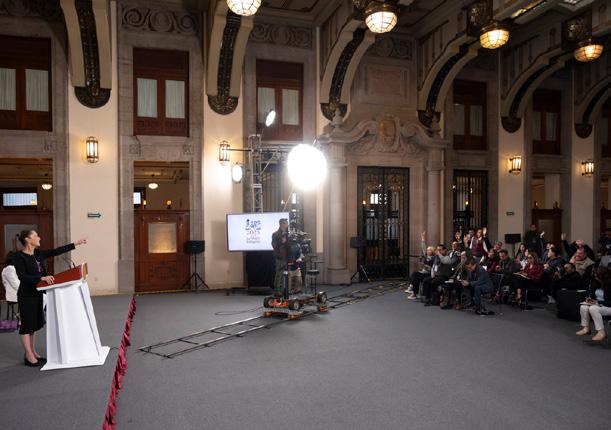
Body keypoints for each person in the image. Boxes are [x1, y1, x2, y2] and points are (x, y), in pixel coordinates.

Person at [13, 230, 86, 367]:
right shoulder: (19, 257)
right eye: (36, 236)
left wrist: (75, 243)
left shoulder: (38, 254)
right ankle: (28, 355)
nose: (39, 238)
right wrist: (41, 278)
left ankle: (33, 352)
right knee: (27, 325)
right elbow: (22, 277)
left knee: (33, 325)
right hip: (27, 295)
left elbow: (56, 251)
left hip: (38, 293)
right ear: (27, 239)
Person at [576, 267, 611, 342]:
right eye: (595, 276)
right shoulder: (595, 283)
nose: (595, 277)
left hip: (608, 306)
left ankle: (601, 332)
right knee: (583, 306)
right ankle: (586, 328)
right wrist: (589, 300)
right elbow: (592, 296)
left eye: (597, 276)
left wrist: (598, 303)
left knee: (593, 308)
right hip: (599, 305)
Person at [406, 231, 435, 299]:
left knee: (416, 276)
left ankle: (414, 292)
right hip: (423, 272)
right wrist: (422, 238)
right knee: (414, 274)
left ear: (432, 251)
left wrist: (427, 266)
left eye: (429, 250)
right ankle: (412, 288)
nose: (427, 251)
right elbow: (423, 247)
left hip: (428, 273)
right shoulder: (426, 256)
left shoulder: (434, 258)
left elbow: (433, 267)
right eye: (427, 250)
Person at [271, 218, 289, 298]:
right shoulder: (275, 234)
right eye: (286, 223)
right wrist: (281, 242)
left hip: (286, 257)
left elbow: (288, 246)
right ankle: (277, 291)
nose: (287, 225)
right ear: (282, 224)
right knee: (278, 274)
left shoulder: (287, 234)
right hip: (279, 257)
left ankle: (281, 291)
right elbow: (274, 245)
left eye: (287, 223)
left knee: (283, 275)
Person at [2, 251, 20, 316]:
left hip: (17, 291)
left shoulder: (12, 268)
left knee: (42, 297)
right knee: (40, 297)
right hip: (14, 293)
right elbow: (15, 284)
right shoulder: (9, 269)